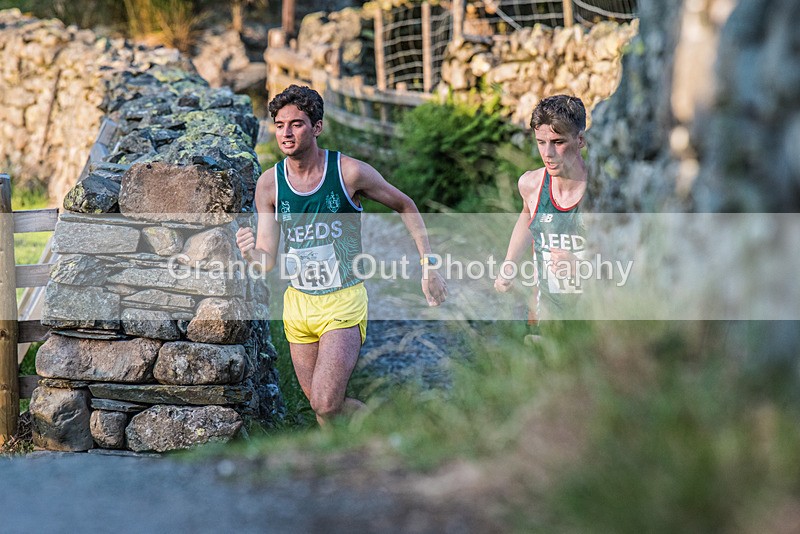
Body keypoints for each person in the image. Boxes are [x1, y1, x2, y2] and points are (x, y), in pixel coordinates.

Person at [236, 85, 447, 425]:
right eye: (279, 125)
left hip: (343, 301)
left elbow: (405, 204)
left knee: (326, 401)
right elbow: (267, 260)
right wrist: (250, 253)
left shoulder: (348, 172)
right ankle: (340, 465)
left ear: (317, 127)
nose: (286, 133)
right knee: (322, 409)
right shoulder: (269, 185)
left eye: (297, 124)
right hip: (298, 305)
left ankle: (393, 429)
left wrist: (429, 264)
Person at [494, 95, 587, 329]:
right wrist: (510, 263)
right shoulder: (531, 185)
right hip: (544, 315)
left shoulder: (603, 192)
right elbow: (528, 216)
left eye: (557, 142)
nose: (548, 153)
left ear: (580, 140)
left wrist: (584, 268)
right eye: (541, 142)